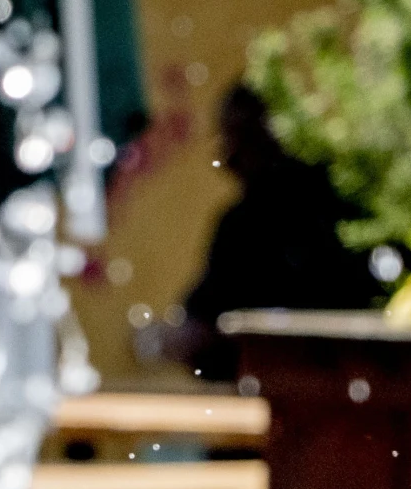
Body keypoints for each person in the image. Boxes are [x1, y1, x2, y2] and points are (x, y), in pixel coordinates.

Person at [162, 83, 380, 385]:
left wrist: (169, 339)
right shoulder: (345, 204)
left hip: (292, 397)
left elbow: (201, 332)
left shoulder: (249, 224)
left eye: (240, 137)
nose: (228, 154)